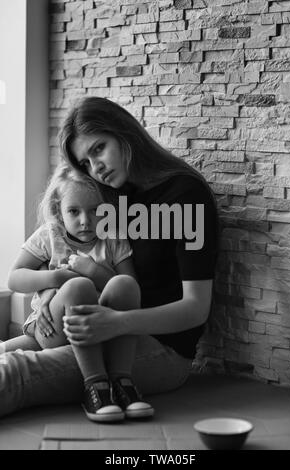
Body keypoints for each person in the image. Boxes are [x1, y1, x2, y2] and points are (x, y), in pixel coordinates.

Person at [0, 96, 218, 419]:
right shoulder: (112, 198)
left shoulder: (185, 196)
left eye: (98, 148)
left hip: (160, 350)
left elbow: (196, 308)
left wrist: (116, 323)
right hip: (96, 329)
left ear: (124, 134)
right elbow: (69, 251)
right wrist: (49, 293)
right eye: (85, 163)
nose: (95, 168)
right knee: (11, 353)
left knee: (17, 372)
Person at [3, 163, 154, 422]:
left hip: (101, 328)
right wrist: (56, 277)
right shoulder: (49, 236)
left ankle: (122, 381)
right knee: (78, 286)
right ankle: (95, 386)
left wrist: (94, 270)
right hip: (51, 329)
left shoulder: (113, 237)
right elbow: (15, 278)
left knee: (124, 285)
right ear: (58, 212)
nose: (85, 220)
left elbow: (130, 288)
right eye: (74, 211)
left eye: (95, 211)